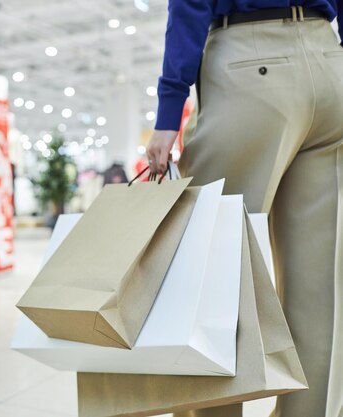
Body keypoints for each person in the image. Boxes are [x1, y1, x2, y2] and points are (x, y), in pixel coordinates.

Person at [146, 2, 343, 417]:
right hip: (331, 66)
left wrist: (168, 111)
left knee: (205, 274)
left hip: (250, 65)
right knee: (316, 287)